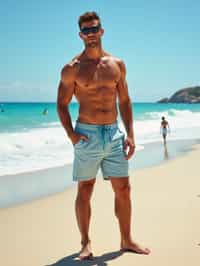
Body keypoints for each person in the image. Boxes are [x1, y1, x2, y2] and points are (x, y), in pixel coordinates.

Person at [57, 11, 150, 260]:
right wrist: (71, 135)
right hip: (86, 134)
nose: (91, 34)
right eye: (86, 30)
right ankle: (85, 244)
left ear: (102, 30)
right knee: (85, 189)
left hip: (113, 132)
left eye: (94, 28)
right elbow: (61, 104)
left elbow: (126, 100)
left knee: (124, 188)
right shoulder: (71, 69)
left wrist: (130, 133)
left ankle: (126, 239)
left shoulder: (117, 64)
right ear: (80, 35)